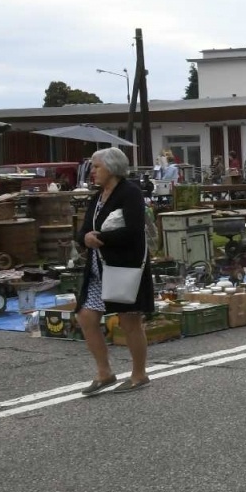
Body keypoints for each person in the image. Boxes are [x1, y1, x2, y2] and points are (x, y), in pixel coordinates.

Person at [76, 147, 156, 395]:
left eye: (97, 166)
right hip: (99, 267)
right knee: (86, 317)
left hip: (124, 266)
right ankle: (104, 372)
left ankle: (139, 374)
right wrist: (84, 238)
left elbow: (133, 231)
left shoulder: (129, 193)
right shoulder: (98, 196)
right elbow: (83, 230)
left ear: (111, 167)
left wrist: (100, 238)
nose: (92, 172)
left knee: (129, 320)